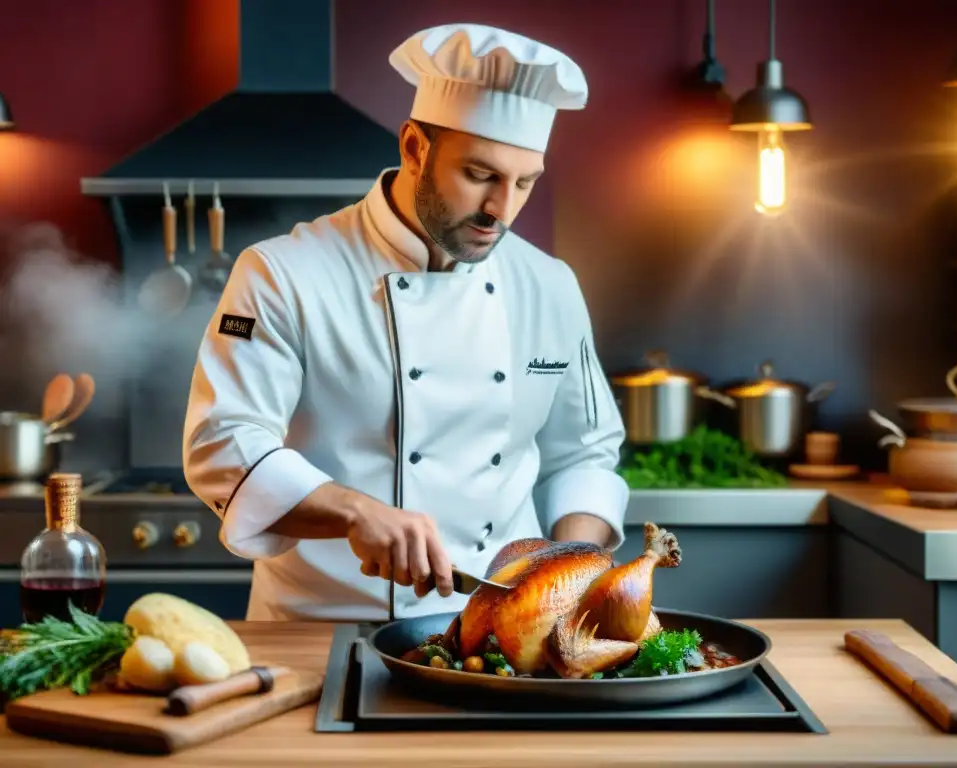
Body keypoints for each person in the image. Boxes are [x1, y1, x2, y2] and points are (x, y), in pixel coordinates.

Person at [182, 23, 629, 622]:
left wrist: (570, 567)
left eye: (524, 182)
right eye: (480, 175)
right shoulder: (282, 273)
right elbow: (223, 442)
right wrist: (353, 511)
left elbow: (584, 455)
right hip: (323, 631)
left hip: (496, 631)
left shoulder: (549, 286)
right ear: (415, 147)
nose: (502, 209)